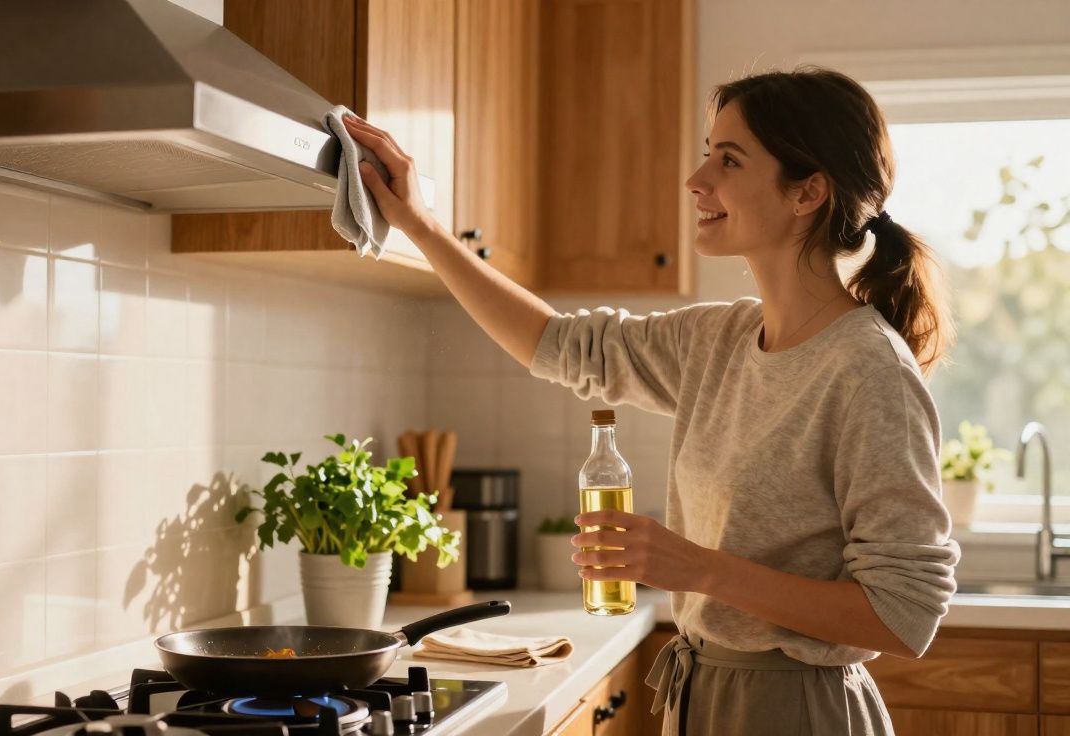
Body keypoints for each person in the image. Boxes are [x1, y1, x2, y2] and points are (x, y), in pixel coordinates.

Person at [342, 66, 960, 735]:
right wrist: (422, 226)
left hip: (797, 711)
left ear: (807, 191)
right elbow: (558, 345)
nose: (697, 181)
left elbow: (904, 614)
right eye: (707, 154)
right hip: (703, 695)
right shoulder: (718, 338)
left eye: (729, 160)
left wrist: (694, 567)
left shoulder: (868, 370)